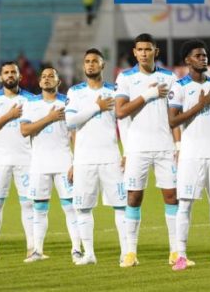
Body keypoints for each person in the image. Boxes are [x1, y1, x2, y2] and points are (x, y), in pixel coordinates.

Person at [114, 33, 179, 268]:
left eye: (148, 49)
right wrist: (148, 94)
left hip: (164, 147)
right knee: (133, 197)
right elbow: (120, 112)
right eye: (139, 49)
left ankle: (175, 252)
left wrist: (178, 145)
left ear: (156, 52)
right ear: (134, 52)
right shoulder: (125, 78)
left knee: (172, 196)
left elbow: (175, 116)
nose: (143, 53)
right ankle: (130, 252)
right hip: (137, 148)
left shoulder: (169, 78)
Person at [168, 40, 210, 270]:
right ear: (187, 60)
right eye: (198, 55)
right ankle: (181, 255)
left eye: (204, 55)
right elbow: (173, 120)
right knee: (185, 205)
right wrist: (200, 105)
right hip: (190, 155)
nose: (203, 58)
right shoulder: (180, 86)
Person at [65, 49, 127, 265]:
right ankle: (89, 254)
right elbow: (70, 122)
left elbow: (124, 123)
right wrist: (96, 107)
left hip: (111, 157)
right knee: (82, 208)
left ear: (103, 66)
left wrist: (126, 151)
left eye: (95, 61)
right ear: (84, 66)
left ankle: (126, 254)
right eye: (87, 61)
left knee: (121, 206)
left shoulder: (116, 90)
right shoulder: (75, 92)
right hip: (84, 160)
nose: (90, 65)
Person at [20, 66, 82, 263]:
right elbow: (25, 130)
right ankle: (37, 250)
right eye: (44, 77)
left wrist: (77, 161)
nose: (47, 79)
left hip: (65, 161)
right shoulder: (31, 104)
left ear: (58, 82)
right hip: (39, 162)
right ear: (39, 82)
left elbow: (75, 134)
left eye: (51, 76)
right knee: (39, 207)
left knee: (71, 207)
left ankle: (76, 249)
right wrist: (49, 118)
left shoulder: (68, 103)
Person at [0, 62, 35, 261]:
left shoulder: (30, 99)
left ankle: (32, 248)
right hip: (0, 160)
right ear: (0, 77)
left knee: (28, 204)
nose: (10, 75)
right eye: (6, 72)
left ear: (20, 76)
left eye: (13, 72)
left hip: (26, 159)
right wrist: (9, 115)